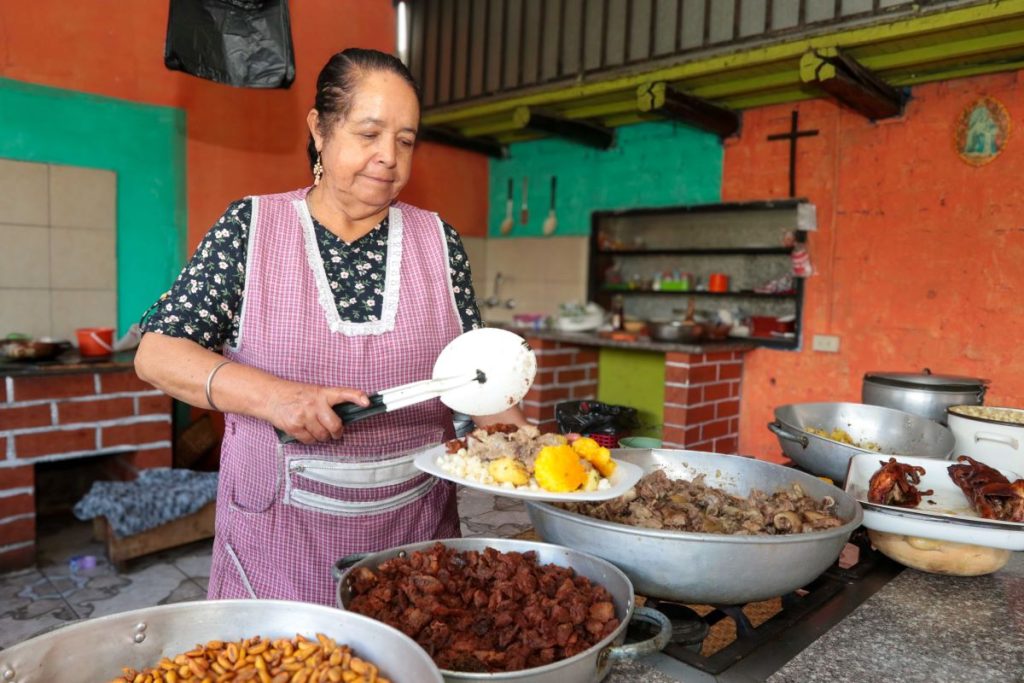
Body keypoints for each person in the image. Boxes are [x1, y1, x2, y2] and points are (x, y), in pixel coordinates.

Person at [135, 48, 527, 605]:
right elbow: (157, 353)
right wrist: (276, 399)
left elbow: (478, 381)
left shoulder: (440, 243)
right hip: (279, 542)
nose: (388, 157)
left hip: (417, 547)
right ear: (320, 129)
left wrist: (534, 457)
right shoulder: (251, 228)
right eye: (369, 134)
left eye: (406, 140)